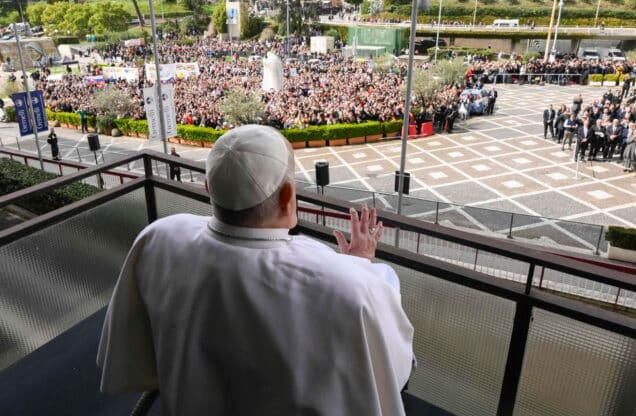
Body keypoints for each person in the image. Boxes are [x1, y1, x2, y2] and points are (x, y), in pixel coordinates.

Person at [97, 125, 415, 415]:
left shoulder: (160, 236)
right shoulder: (346, 283)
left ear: (209, 187)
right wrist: (360, 263)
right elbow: (394, 370)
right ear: (288, 197)